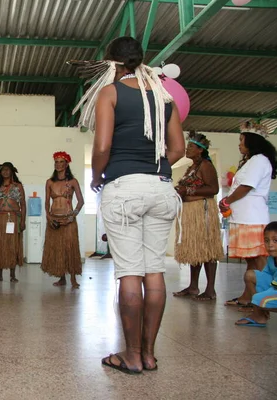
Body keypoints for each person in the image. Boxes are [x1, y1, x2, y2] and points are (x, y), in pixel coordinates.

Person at [79, 36, 184, 373]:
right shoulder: (165, 98)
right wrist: (151, 164)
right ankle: (150, 354)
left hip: (124, 189)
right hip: (162, 188)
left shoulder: (111, 93)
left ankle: (132, 355)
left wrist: (97, 175)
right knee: (154, 271)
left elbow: (102, 146)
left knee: (129, 272)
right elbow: (178, 150)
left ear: (111, 62)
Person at [222, 121, 277, 307]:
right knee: (251, 261)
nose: (239, 144)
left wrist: (226, 201)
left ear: (252, 141)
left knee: (259, 261)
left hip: (253, 219)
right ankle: (247, 297)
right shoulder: (252, 161)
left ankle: (263, 300)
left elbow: (247, 186)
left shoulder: (259, 160)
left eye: (242, 140)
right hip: (244, 218)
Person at [172, 132, 224, 301]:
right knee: (196, 248)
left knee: (207, 248)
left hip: (202, 211)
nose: (188, 148)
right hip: (191, 211)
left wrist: (187, 190)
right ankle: (193, 287)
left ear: (200, 150)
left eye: (191, 146)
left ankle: (210, 290)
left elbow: (213, 189)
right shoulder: (193, 167)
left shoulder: (206, 166)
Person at [41, 151, 84, 289]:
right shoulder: (49, 182)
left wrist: (72, 217)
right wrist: (48, 217)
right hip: (54, 219)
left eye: (61, 162)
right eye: (56, 162)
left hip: (68, 219)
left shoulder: (72, 181)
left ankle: (73, 278)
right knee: (58, 249)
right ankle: (61, 278)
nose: (58, 164)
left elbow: (81, 201)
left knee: (69, 248)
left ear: (66, 164)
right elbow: (47, 202)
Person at [235, 222, 277, 327]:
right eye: (267, 241)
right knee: (250, 275)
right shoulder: (271, 258)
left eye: (275, 240)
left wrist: (258, 299)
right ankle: (259, 316)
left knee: (259, 299)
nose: (270, 244)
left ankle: (259, 308)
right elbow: (265, 276)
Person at [0, 162, 26, 282]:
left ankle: (12, 275)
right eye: (3, 170)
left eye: (7, 169)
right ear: (0, 172)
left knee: (12, 245)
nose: (5, 172)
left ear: (12, 171)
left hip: (13, 218)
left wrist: (23, 221)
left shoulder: (18, 186)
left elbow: (23, 205)